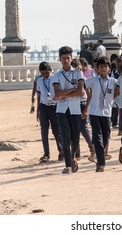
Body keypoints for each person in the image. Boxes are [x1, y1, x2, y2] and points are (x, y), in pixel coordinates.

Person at [83, 57, 119, 172]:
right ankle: (100, 163)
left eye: (105, 66)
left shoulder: (113, 81)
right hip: (95, 112)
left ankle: (99, 153)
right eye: (101, 66)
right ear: (97, 68)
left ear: (109, 68)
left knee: (106, 136)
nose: (103, 68)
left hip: (107, 112)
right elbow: (83, 84)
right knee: (97, 137)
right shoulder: (92, 80)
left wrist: (111, 100)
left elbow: (118, 90)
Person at [53, 46, 85, 174]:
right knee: (65, 137)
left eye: (68, 58)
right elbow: (56, 93)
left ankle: (72, 157)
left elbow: (81, 91)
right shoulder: (56, 75)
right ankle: (68, 165)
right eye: (63, 58)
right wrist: (73, 90)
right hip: (61, 110)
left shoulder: (78, 73)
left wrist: (63, 94)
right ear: (60, 59)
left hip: (75, 109)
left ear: (71, 59)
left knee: (75, 137)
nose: (66, 60)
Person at [35, 62, 63, 163]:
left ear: (50, 71)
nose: (45, 75)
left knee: (56, 131)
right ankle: (46, 153)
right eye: (43, 73)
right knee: (44, 131)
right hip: (44, 106)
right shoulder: (39, 81)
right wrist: (38, 110)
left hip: (54, 106)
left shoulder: (55, 78)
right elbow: (38, 95)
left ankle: (61, 150)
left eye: (47, 73)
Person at [70, 59, 94, 163]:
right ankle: (77, 152)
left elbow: (89, 94)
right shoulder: (69, 78)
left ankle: (92, 147)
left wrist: (87, 108)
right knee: (74, 130)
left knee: (83, 128)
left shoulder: (83, 79)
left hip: (81, 104)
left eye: (77, 67)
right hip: (72, 105)